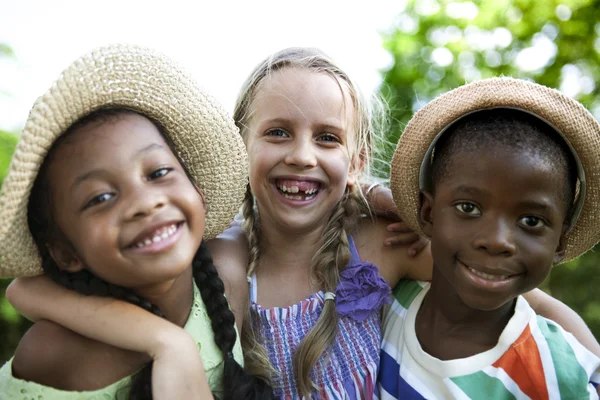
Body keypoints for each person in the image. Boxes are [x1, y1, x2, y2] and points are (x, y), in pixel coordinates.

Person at [7, 48, 600, 399]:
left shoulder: (380, 242)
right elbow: (28, 289)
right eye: (277, 132)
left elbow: (527, 302)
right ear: (239, 145)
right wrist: (157, 340)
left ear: (357, 159)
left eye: (327, 138)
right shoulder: (225, 260)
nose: (302, 155)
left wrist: (590, 357)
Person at [0, 44, 273, 400]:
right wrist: (167, 342)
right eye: (100, 198)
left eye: (159, 172)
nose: (144, 203)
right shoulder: (54, 355)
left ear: (198, 193)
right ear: (65, 253)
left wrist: (369, 194)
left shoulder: (225, 274)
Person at [378, 78, 600, 399]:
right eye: (468, 207)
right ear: (428, 212)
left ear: (561, 241)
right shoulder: (383, 304)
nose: (497, 241)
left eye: (531, 220)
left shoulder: (560, 377)